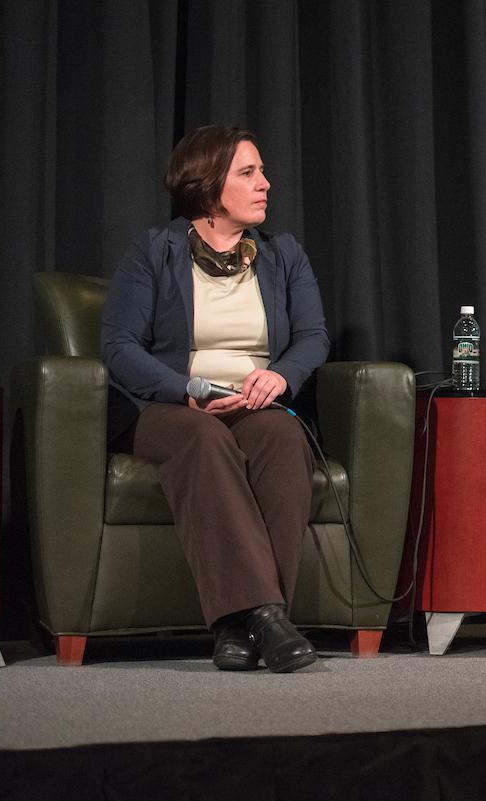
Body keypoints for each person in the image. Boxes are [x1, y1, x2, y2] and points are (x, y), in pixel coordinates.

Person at [101, 125, 330, 673]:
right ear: (206, 186)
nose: (265, 184)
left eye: (262, 172)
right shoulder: (153, 252)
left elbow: (313, 338)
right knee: (203, 437)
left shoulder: (284, 255)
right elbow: (118, 346)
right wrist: (185, 389)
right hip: (169, 408)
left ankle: (239, 625)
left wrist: (281, 378)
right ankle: (268, 618)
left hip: (254, 404)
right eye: (248, 173)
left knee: (281, 435)